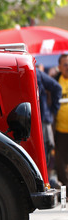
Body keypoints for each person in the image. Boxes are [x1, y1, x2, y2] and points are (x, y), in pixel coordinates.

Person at [36, 67, 61, 168]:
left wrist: (52, 110)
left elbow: (57, 88)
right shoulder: (37, 72)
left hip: (42, 120)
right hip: (32, 121)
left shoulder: (36, 73)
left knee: (45, 154)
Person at [54, 54, 68, 186]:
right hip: (60, 131)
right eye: (65, 64)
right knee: (61, 163)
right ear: (59, 67)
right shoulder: (55, 81)